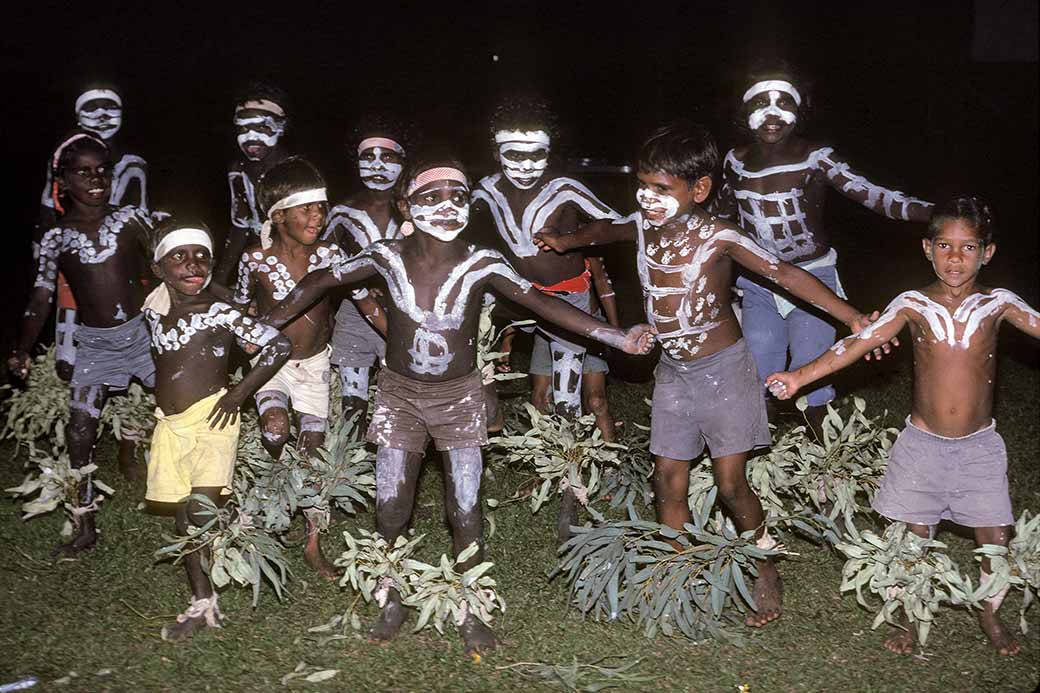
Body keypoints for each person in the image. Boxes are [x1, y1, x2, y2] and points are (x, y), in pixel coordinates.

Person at [263, 160, 655, 655]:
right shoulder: (386, 256)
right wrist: (262, 327)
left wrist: (615, 336)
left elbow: (542, 303)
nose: (447, 205)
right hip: (400, 397)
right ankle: (390, 594)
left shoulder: (482, 261)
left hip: (460, 397)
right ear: (407, 206)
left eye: (458, 195)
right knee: (391, 507)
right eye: (433, 196)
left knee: (465, 509)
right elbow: (319, 281)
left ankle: (471, 603)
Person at [535, 120, 881, 627]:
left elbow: (783, 273)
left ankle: (764, 562)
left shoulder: (719, 236)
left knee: (730, 483)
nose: (647, 198)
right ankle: (680, 571)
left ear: (699, 189)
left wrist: (851, 318)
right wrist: (566, 242)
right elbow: (605, 229)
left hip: (724, 372)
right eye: (642, 185)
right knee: (666, 478)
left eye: (661, 189)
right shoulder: (643, 224)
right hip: (674, 372)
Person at [765, 196, 1036, 655]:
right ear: (927, 249)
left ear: (987, 253)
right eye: (945, 246)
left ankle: (990, 612)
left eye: (968, 247)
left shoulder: (998, 304)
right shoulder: (912, 304)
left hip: (980, 446)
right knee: (913, 532)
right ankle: (910, 614)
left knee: (996, 534)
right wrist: (799, 377)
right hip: (922, 445)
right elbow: (856, 343)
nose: (955, 257)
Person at [712, 66, 932, 434]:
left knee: (813, 372)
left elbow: (874, 196)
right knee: (758, 371)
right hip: (758, 282)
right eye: (761, 103)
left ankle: (824, 454)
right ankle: (756, 452)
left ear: (800, 111)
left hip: (814, 278)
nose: (772, 114)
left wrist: (937, 212)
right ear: (743, 111)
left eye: (783, 103)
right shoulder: (735, 161)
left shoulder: (815, 157)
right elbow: (720, 217)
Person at [142, 220, 292, 641]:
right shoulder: (154, 308)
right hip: (170, 425)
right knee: (182, 515)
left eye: (202, 256)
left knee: (197, 511)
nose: (193, 265)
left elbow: (279, 345)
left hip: (214, 419)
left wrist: (238, 395)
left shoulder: (218, 312)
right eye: (179, 257)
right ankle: (203, 597)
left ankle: (204, 598)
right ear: (158, 268)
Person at [9, 133, 155, 555]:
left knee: (184, 411)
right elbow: (41, 298)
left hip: (144, 336)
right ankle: (85, 523)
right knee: (79, 430)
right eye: (83, 172)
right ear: (63, 180)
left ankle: (194, 497)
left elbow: (166, 265)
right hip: (94, 345)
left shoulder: (131, 219)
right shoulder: (56, 237)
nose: (95, 179)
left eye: (102, 170)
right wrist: (21, 349)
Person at [232, 157, 340, 577]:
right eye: (306, 209)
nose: (317, 216)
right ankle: (269, 497)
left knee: (313, 455)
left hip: (314, 364)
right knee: (275, 429)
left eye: (321, 207)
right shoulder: (254, 259)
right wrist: (244, 336)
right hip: (271, 361)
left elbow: (363, 297)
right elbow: (241, 305)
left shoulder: (331, 255)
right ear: (278, 217)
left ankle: (313, 541)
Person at [37, 83, 150, 383]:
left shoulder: (133, 162)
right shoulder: (64, 159)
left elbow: (140, 209)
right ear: (77, 116)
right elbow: (48, 204)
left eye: (110, 109)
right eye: (92, 109)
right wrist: (45, 248)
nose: (102, 116)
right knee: (68, 355)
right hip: (75, 248)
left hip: (120, 253)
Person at [322, 115, 407, 426]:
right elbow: (325, 263)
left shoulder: (418, 210)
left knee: (398, 395)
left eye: (388, 157)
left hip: (404, 311)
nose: (377, 165)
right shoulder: (341, 212)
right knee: (352, 398)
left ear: (403, 161)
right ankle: (352, 451)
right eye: (368, 157)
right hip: (354, 310)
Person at [213, 82, 292, 284]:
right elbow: (240, 226)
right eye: (243, 128)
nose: (251, 137)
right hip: (257, 262)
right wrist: (219, 278)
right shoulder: (238, 170)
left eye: (262, 127)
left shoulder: (296, 171)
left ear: (281, 128)